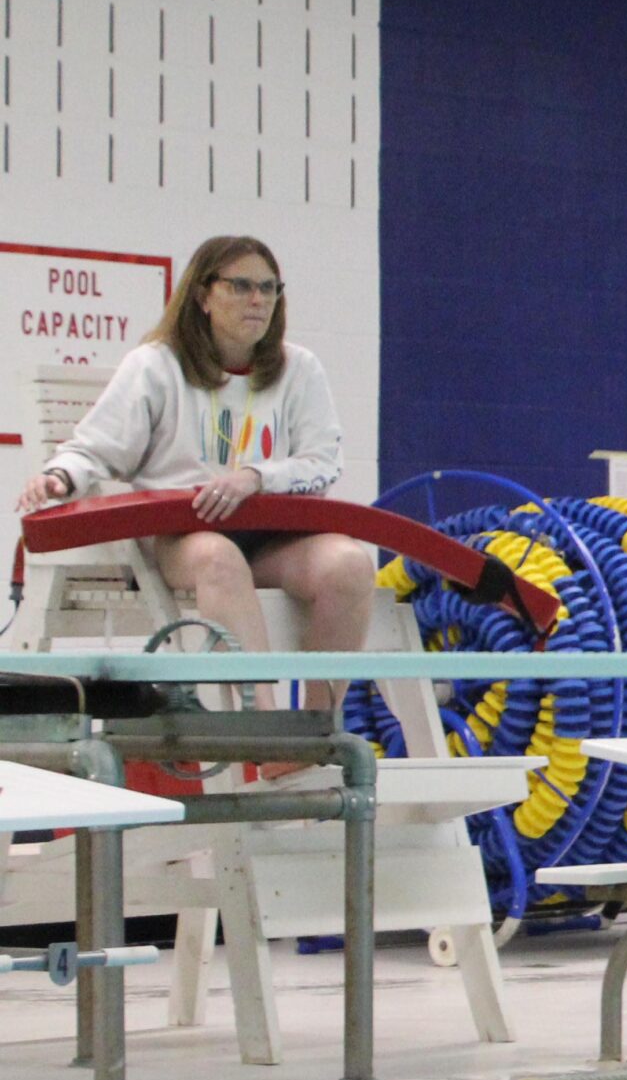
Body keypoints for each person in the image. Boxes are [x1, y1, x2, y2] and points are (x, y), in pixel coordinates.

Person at [15, 235, 376, 757]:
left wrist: (255, 476)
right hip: (183, 536)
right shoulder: (156, 364)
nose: (258, 300)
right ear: (204, 295)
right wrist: (59, 478)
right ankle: (268, 734)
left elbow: (324, 463)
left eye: (269, 288)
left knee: (348, 564)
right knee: (217, 558)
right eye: (242, 286)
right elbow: (96, 446)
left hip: (273, 537)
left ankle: (320, 728)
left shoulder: (300, 369)